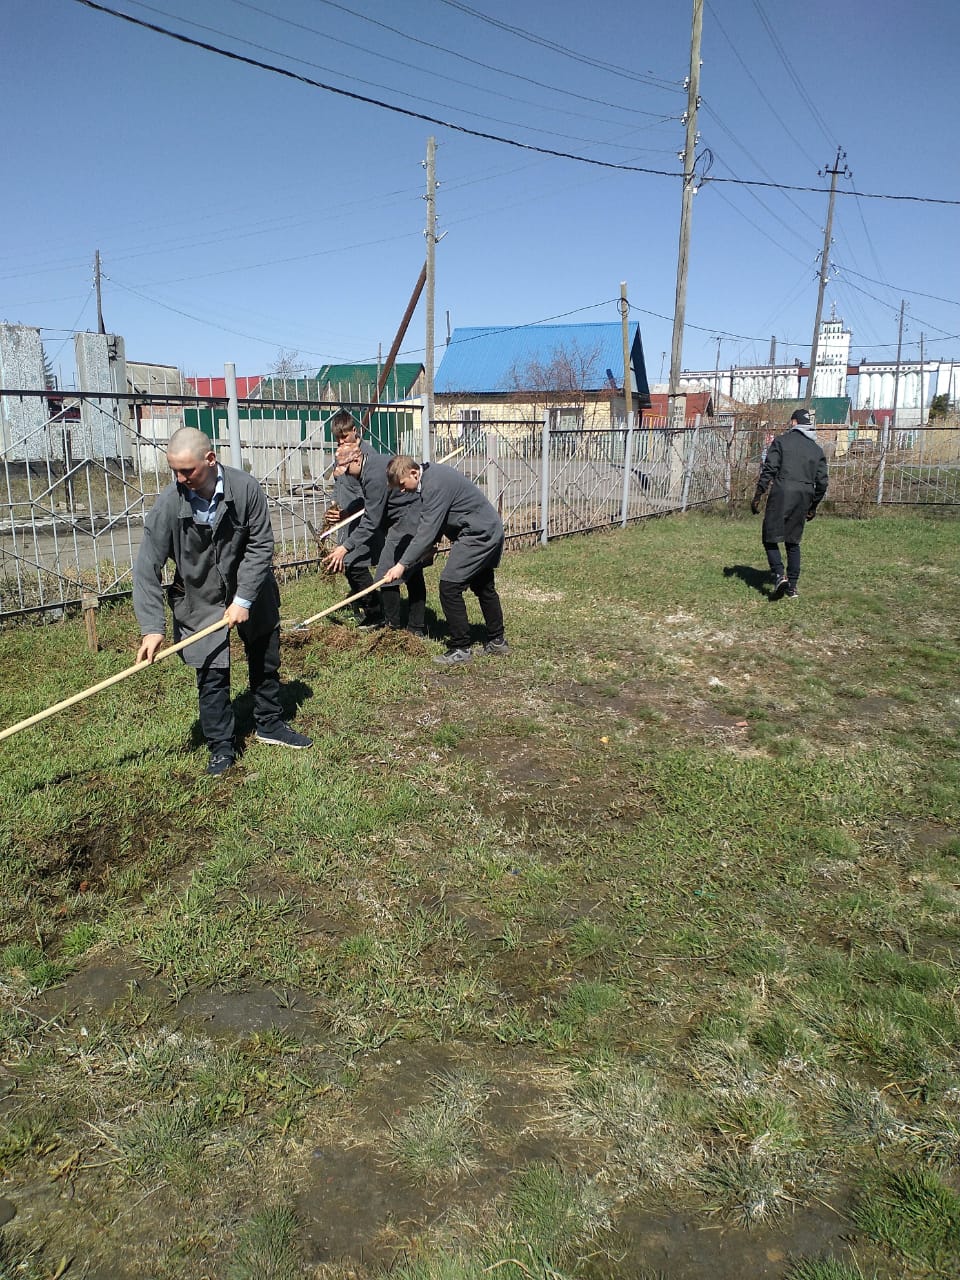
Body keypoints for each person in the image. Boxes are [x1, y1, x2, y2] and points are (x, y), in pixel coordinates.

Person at [133, 426, 312, 776]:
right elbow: (146, 568)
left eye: (188, 471)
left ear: (210, 459)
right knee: (212, 672)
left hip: (252, 588)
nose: (180, 478)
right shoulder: (169, 505)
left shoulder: (245, 489)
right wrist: (152, 629)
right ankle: (221, 745)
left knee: (265, 655)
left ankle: (269, 723)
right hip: (198, 596)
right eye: (174, 471)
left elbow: (261, 545)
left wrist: (244, 598)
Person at [380, 455, 508, 665]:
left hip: (477, 534)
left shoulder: (434, 484)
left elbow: (427, 529)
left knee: (449, 586)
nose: (402, 491)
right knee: (483, 585)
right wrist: (431, 546)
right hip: (485, 528)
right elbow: (440, 516)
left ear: (413, 473)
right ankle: (497, 640)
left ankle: (461, 647)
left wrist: (401, 565)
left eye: (402, 485)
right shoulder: (431, 477)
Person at [323, 442, 428, 636]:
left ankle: (393, 630)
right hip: (402, 518)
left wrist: (345, 547)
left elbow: (371, 520)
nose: (344, 473)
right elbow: (371, 506)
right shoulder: (367, 467)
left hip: (407, 518)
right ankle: (415, 627)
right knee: (412, 572)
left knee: (386, 576)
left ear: (356, 459)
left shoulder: (373, 475)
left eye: (346, 469)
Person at [751, 407, 828, 599]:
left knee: (769, 536)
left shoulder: (781, 442)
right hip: (804, 494)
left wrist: (758, 493)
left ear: (794, 423)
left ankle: (779, 575)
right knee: (793, 542)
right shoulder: (816, 450)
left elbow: (769, 469)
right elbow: (823, 482)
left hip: (782, 492)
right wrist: (813, 506)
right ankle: (792, 587)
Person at [324, 409, 384, 629]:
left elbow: (369, 497)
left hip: (362, 520)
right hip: (346, 520)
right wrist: (334, 506)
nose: (341, 442)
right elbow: (339, 484)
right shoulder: (342, 453)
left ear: (354, 431)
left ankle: (375, 613)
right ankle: (365, 605)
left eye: (344, 437)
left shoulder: (367, 454)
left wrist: (347, 513)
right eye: (337, 439)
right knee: (349, 565)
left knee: (354, 564)